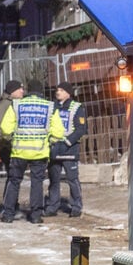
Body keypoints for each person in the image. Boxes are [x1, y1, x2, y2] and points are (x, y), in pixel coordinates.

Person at [0, 79, 65, 224]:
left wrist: (12, 137)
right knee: (37, 182)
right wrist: (50, 140)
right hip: (40, 152)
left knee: (14, 182)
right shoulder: (50, 106)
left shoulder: (16, 105)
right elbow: (59, 132)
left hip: (19, 151)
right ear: (41, 91)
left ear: (28, 90)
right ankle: (35, 215)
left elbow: (5, 128)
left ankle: (8, 214)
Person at [46, 82, 88, 218]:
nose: (58, 92)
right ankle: (52, 206)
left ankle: (76, 206)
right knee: (54, 179)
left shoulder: (77, 107)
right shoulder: (51, 106)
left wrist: (67, 142)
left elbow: (81, 129)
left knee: (72, 179)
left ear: (68, 93)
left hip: (69, 149)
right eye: (57, 90)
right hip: (54, 148)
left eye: (62, 90)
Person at [0, 80, 24, 204]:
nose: (22, 91)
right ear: (12, 91)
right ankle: (9, 203)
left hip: (16, 144)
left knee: (15, 176)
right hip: (7, 146)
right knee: (12, 176)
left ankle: (12, 202)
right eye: (20, 89)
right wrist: (5, 139)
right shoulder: (4, 105)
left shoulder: (16, 103)